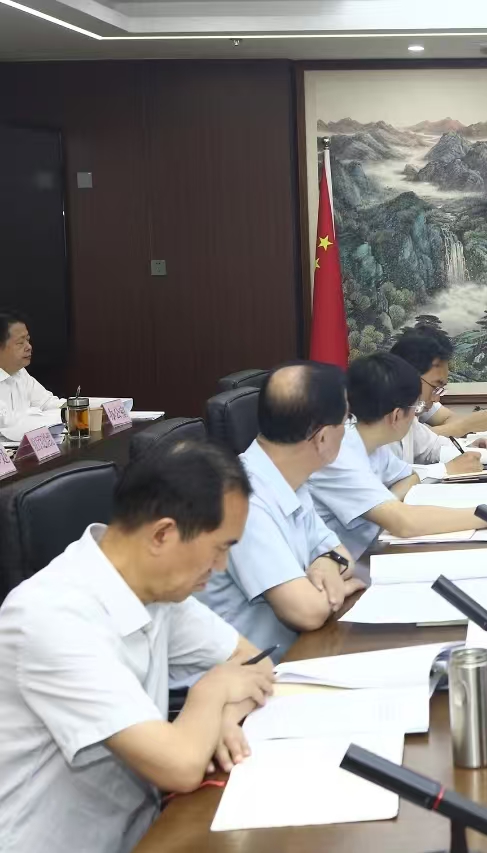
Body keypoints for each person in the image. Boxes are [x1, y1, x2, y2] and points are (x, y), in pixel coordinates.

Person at [0, 440, 275, 853]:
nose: (220, 567)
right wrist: (211, 693)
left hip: (144, 829)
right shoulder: (49, 618)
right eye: (219, 548)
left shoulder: (155, 587)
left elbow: (255, 663)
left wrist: (217, 722)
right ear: (163, 534)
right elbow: (181, 767)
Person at [197, 363, 365, 660]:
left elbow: (342, 556)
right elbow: (307, 613)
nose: (348, 429)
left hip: (292, 656)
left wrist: (327, 566)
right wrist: (336, 585)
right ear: (323, 437)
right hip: (244, 678)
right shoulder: (243, 499)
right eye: (346, 420)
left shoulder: (288, 477)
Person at [308, 352, 487, 560]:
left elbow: (410, 478)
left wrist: (388, 502)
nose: (415, 418)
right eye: (415, 408)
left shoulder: (373, 443)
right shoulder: (337, 453)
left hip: (370, 551)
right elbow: (405, 523)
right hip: (339, 567)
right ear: (396, 416)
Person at [389, 327, 487, 472]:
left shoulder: (409, 412)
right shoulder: (376, 415)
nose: (436, 399)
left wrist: (469, 451)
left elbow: (431, 449)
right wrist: (447, 469)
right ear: (408, 376)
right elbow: (391, 478)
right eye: (435, 387)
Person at [0, 309, 63, 440]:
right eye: (20, 343)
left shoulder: (20, 373)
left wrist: (79, 408)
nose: (29, 347)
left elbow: (48, 403)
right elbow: (9, 425)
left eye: (28, 340)